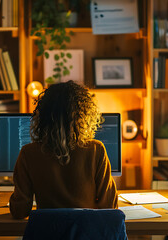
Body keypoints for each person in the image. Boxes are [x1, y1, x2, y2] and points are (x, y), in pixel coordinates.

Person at [9, 80, 118, 219]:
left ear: (43, 115)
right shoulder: (96, 150)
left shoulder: (28, 153)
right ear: (84, 115)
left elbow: (19, 212)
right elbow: (110, 208)